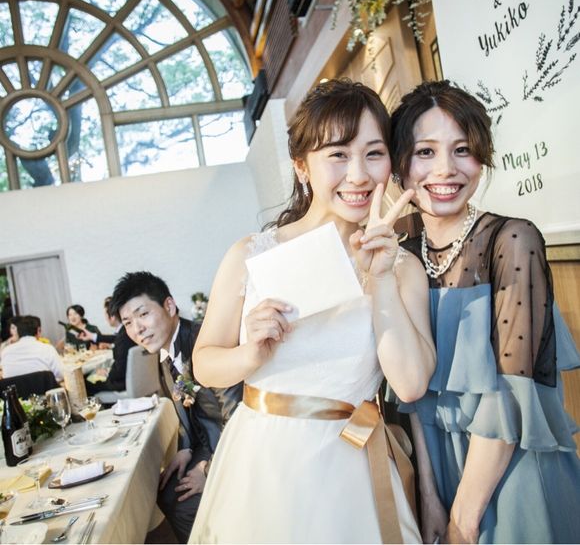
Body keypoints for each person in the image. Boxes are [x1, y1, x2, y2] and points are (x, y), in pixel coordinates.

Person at [189, 78, 436, 543]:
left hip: (353, 466)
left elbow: (410, 385)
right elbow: (204, 364)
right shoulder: (250, 255)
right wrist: (249, 354)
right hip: (264, 466)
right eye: (338, 155)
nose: (358, 175)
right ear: (302, 166)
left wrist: (381, 279)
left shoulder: (402, 268)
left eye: (374, 153)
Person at [390, 79, 580, 543]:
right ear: (400, 165)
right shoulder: (401, 255)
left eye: (462, 150)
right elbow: (414, 400)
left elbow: (510, 399)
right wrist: (430, 497)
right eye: (425, 152)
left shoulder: (513, 242)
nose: (446, 169)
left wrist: (464, 519)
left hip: (512, 474)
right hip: (442, 477)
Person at [108, 272, 242, 543]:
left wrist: (208, 470)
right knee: (163, 492)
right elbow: (185, 409)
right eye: (128, 323)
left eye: (143, 314)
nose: (137, 329)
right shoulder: (165, 353)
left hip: (234, 446)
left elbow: (239, 416)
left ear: (169, 306)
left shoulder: (206, 342)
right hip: (207, 442)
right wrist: (185, 448)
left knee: (181, 504)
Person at [80, 297, 135, 394]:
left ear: (112, 316)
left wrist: (107, 373)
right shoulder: (127, 331)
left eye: (105, 314)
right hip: (133, 378)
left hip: (121, 383)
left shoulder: (123, 338)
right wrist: (92, 336)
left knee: (84, 382)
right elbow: (115, 338)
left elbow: (119, 370)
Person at [1, 315, 64, 381]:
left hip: (17, 387)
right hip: (43, 387)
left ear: (18, 332)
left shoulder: (5, 352)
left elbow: (5, 377)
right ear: (38, 330)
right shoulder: (47, 349)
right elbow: (62, 374)